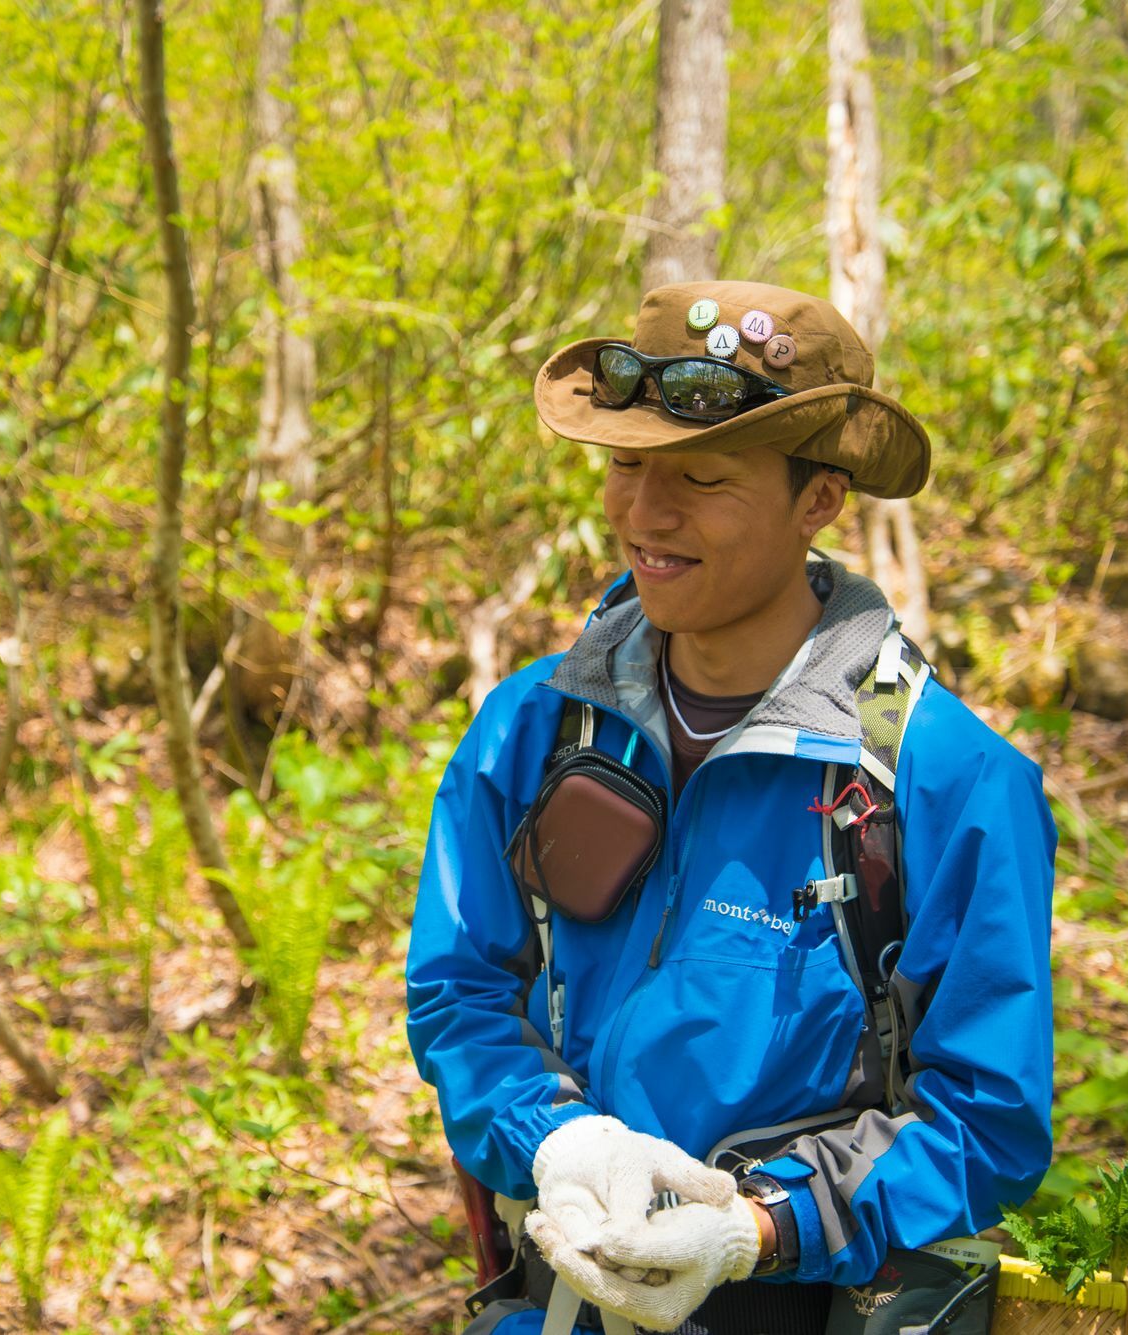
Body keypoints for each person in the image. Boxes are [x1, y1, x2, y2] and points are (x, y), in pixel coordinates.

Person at [406, 282, 1057, 1334]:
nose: (643, 515)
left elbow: (986, 1120)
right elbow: (457, 993)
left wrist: (753, 1228)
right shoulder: (531, 730)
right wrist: (555, 1140)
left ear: (820, 500)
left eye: (701, 479)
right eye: (624, 466)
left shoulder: (939, 776)